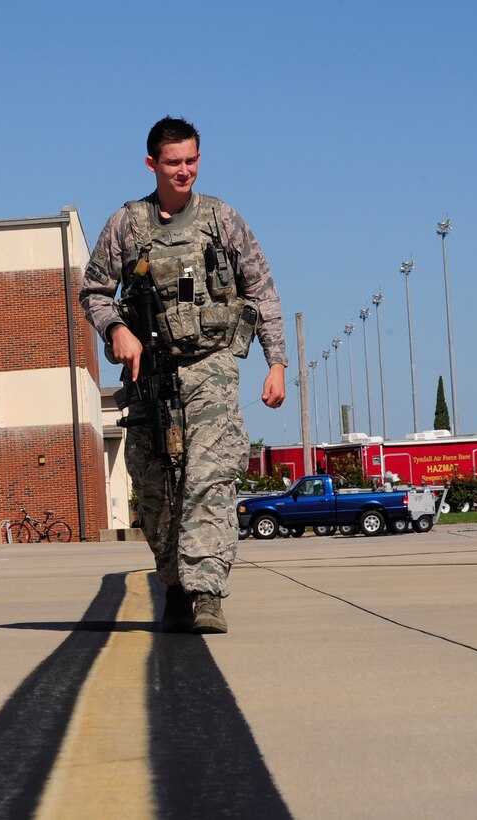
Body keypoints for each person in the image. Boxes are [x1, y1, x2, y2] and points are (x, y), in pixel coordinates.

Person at [80, 116, 286, 634]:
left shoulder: (222, 219)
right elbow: (94, 291)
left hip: (211, 366)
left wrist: (276, 363)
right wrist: (114, 331)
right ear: (152, 164)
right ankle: (174, 582)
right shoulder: (126, 225)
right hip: (150, 369)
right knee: (153, 486)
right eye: (173, 162)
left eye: (192, 160)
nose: (184, 171)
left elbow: (261, 291)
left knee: (209, 476)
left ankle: (207, 593)